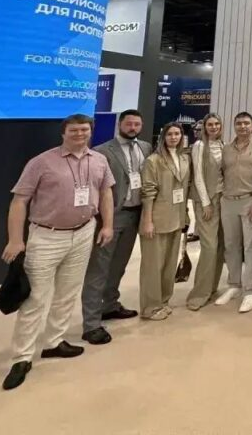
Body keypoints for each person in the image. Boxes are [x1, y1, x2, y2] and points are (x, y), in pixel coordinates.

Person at [0, 114, 115, 391]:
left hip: (84, 232)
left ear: (91, 132)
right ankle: (22, 357)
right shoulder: (41, 162)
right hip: (46, 235)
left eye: (84, 130)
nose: (80, 134)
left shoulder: (99, 160)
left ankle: (54, 341)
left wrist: (107, 225)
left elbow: (106, 193)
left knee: (67, 292)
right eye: (74, 130)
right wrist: (15, 240)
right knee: (35, 298)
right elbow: (19, 201)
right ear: (63, 133)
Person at [80, 109, 151, 345]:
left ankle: (109, 305)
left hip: (135, 213)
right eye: (129, 124)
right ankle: (91, 324)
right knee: (99, 268)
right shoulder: (102, 151)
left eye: (137, 124)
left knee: (119, 264)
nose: (133, 128)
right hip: (111, 216)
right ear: (120, 124)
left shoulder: (146, 148)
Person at [215, 112, 252, 313]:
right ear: (234, 126)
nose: (242, 126)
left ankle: (250, 290)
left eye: (246, 123)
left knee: (251, 247)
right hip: (228, 201)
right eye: (239, 123)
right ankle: (234, 285)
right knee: (231, 246)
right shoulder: (226, 148)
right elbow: (221, 173)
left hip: (251, 201)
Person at [138, 122, 191, 321]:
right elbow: (148, 192)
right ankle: (150, 307)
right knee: (153, 266)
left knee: (169, 264)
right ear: (163, 137)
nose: (174, 137)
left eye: (177, 134)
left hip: (176, 217)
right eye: (170, 134)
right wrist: (147, 220)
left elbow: (184, 189)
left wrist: (185, 215)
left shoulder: (184, 158)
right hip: (157, 218)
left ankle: (163, 300)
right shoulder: (153, 161)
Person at [186, 113, 226, 310]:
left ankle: (211, 288)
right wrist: (205, 202)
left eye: (217, 124)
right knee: (209, 247)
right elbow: (198, 176)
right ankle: (199, 294)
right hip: (206, 201)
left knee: (220, 247)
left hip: (222, 199)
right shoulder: (200, 146)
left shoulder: (223, 145)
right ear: (204, 127)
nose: (214, 127)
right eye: (210, 124)